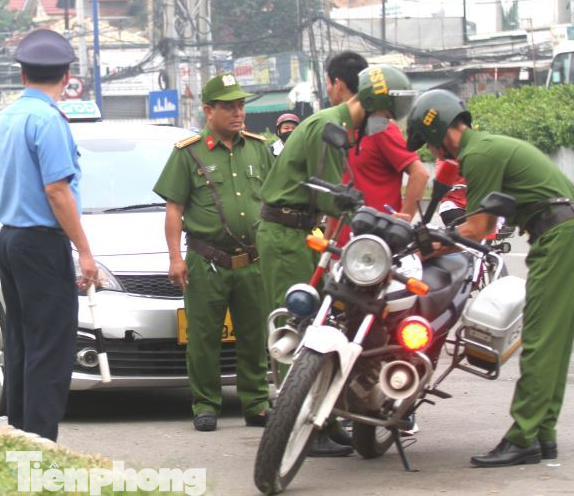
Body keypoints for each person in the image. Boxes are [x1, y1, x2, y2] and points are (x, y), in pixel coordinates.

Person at [406, 89, 574, 468]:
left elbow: (477, 229)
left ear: (442, 131)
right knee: (552, 341)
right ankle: (543, 435)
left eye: (430, 144)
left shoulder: (477, 155)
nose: (434, 153)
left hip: (559, 235)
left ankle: (523, 436)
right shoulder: (487, 146)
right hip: (563, 232)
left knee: (540, 340)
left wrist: (423, 249)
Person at [257, 64, 416, 456]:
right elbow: (334, 194)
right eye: (386, 115)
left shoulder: (340, 125)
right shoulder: (331, 127)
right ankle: (297, 425)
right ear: (378, 109)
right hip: (285, 231)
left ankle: (322, 420)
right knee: (300, 326)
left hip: (301, 230)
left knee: (322, 319)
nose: (386, 123)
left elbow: (336, 202)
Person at [0, 28, 97, 442]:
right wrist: (84, 250)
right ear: (67, 77)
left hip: (11, 238)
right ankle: (40, 442)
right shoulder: (48, 120)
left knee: (22, 342)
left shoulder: (5, 119)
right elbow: (57, 189)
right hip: (41, 241)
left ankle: (20, 433)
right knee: (51, 347)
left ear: (22, 76)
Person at [153, 73, 273, 432]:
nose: (238, 113)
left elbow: (272, 200)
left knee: (255, 335)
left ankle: (256, 402)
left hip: (252, 261)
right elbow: (174, 209)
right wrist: (175, 258)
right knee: (203, 338)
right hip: (207, 261)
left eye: (240, 106)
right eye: (228, 107)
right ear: (208, 110)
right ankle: (205, 403)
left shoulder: (258, 148)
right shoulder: (188, 153)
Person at [323, 52, 428, 232]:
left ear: (337, 84)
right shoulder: (339, 129)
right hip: (341, 247)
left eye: (327, 83)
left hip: (374, 246)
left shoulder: (380, 128)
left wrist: (400, 226)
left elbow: (420, 174)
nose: (327, 90)